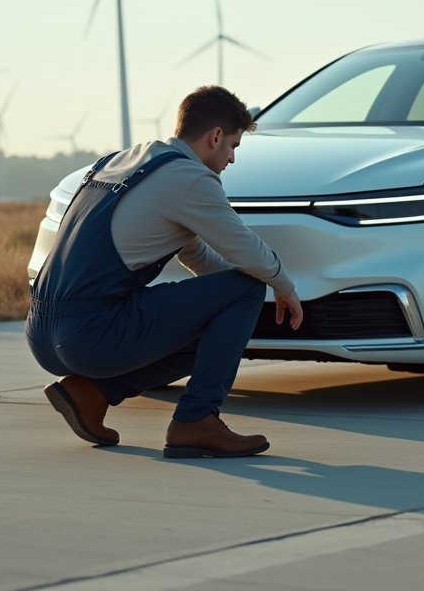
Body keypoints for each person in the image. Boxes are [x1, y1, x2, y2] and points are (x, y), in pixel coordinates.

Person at [25, 86, 302, 458]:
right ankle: (197, 419)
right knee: (250, 288)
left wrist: (229, 306)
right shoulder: (189, 178)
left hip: (42, 333)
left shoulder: (123, 162)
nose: (232, 158)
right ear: (215, 136)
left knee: (231, 304)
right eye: (233, 146)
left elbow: (197, 255)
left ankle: (90, 394)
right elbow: (247, 249)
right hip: (88, 336)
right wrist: (283, 286)